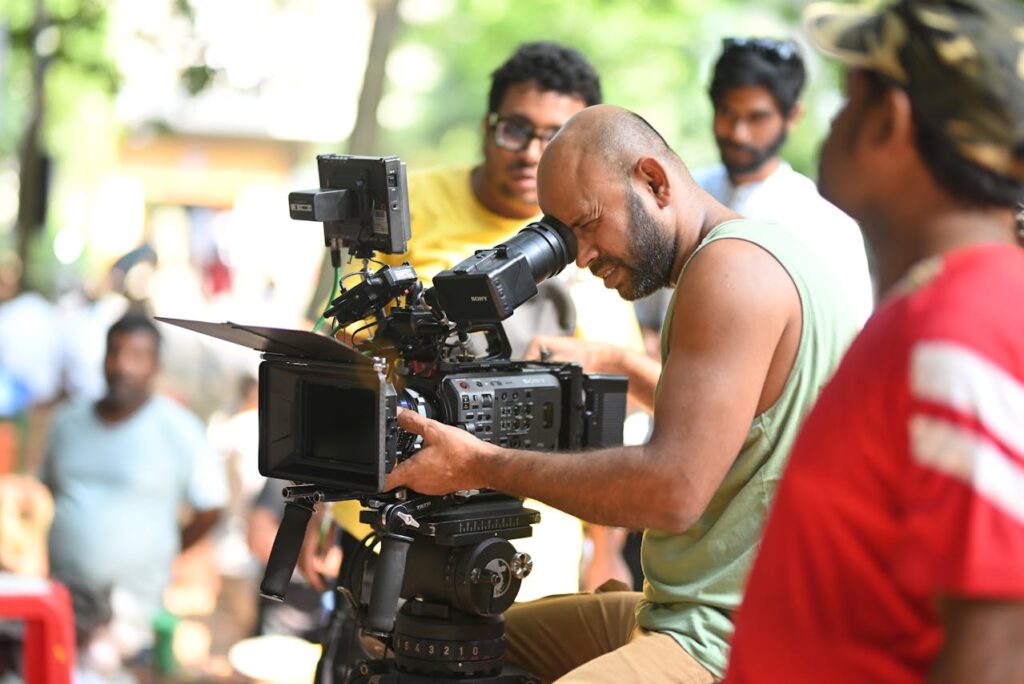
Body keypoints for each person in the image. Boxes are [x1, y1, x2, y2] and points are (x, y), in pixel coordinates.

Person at [383, 104, 860, 682]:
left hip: (739, 637)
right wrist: (614, 361)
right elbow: (731, 428)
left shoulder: (729, 272)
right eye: (566, 238)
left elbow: (671, 490)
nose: (583, 257)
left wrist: (477, 464)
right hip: (683, 611)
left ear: (653, 182)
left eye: (587, 224)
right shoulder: (761, 254)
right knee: (439, 650)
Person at [724, 0, 1024, 681]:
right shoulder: (932, 309)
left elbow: (1001, 645)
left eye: (849, 96)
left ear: (890, 119)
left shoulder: (962, 327)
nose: (833, 121)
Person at [313, 42, 645, 601]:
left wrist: (606, 548)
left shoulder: (598, 241)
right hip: (382, 524)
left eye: (553, 138)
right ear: (488, 127)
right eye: (516, 130)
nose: (530, 153)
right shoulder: (406, 208)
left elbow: (609, 415)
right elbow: (340, 355)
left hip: (522, 548)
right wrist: (318, 503)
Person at [40, 312, 228, 661]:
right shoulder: (67, 421)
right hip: (61, 605)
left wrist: (167, 548)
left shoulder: (179, 429)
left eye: (137, 356)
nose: (123, 366)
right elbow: (46, 494)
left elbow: (212, 506)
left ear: (156, 366)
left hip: (133, 620)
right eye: (115, 353)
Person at [691, 35, 875, 325]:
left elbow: (850, 338)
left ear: (793, 116)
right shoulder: (683, 194)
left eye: (757, 118)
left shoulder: (827, 224)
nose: (739, 133)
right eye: (727, 113)